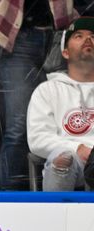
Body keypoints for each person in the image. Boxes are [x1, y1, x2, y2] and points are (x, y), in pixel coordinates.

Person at [0, 0, 77, 190]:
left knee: (68, 118)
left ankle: (60, 186)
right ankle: (12, 196)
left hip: (59, 37)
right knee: (19, 125)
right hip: (21, 39)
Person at [27, 16, 94, 191]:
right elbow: (38, 139)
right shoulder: (47, 90)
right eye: (78, 36)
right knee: (62, 158)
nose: (88, 39)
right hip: (72, 157)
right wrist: (78, 148)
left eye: (93, 36)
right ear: (65, 52)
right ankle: (53, 217)